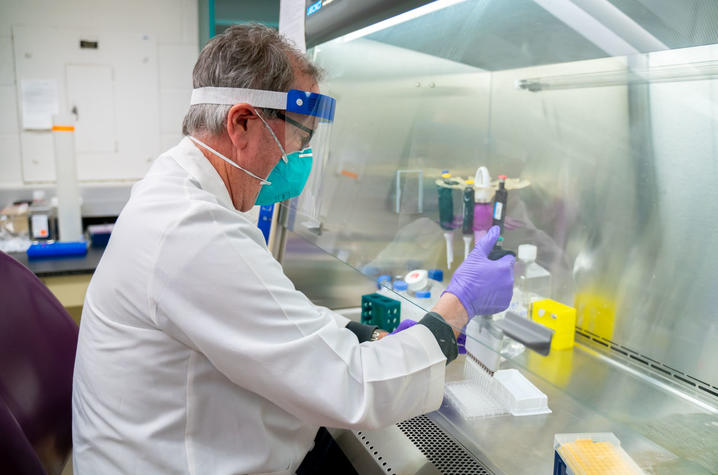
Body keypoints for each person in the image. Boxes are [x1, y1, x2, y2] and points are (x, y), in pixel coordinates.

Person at [71, 24, 515, 474]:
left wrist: (363, 335)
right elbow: (353, 389)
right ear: (243, 124)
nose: (300, 156)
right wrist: (456, 308)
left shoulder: (184, 192)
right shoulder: (194, 231)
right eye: (301, 138)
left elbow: (276, 319)